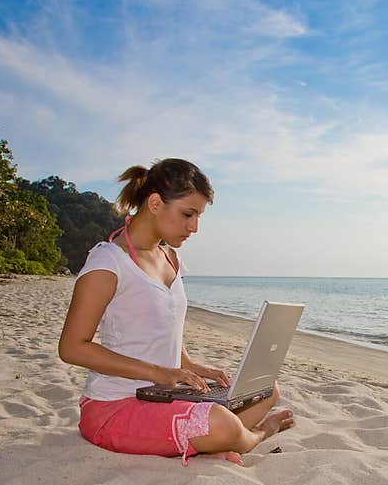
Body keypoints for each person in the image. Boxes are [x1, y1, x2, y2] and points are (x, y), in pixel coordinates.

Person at [58, 158, 294, 466]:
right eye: (188, 214)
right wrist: (160, 373)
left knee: (266, 388)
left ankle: (212, 442)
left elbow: (161, 327)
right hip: (116, 406)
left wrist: (190, 365)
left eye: (198, 216)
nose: (194, 227)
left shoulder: (170, 258)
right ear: (155, 203)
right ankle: (258, 435)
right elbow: (72, 348)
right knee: (221, 423)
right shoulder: (108, 263)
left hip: (165, 394)